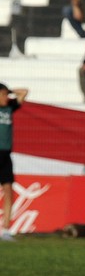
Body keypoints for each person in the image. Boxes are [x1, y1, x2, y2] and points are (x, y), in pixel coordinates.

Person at [0, 84, 28, 242]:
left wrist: (9, 91)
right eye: (3, 95)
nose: (6, 98)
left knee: (8, 191)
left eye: (6, 95)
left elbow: (24, 92)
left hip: (5, 155)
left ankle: (5, 230)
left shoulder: (10, 107)